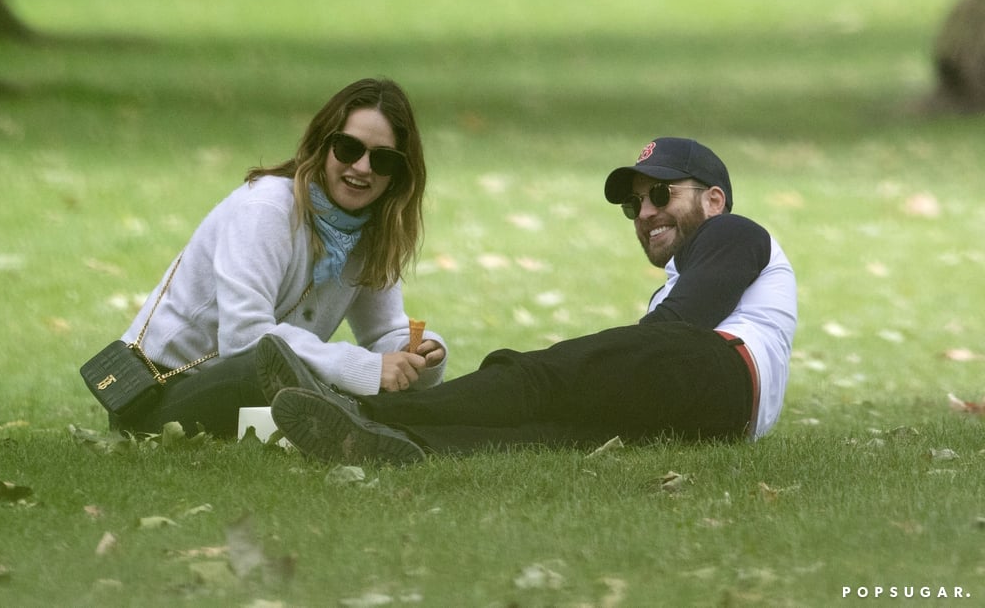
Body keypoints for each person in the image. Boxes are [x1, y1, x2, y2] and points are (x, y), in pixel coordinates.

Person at [259, 137, 797, 464]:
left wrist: (585, 367)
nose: (647, 213)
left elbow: (675, 331)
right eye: (635, 205)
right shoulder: (685, 276)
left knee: (536, 379)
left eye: (661, 194)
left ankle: (360, 409)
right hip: (722, 420)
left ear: (714, 199)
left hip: (722, 373)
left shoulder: (735, 232)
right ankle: (387, 439)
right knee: (549, 436)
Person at [95, 78, 447, 438]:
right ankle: (358, 429)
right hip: (160, 394)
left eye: (383, 159)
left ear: (400, 173)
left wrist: (417, 352)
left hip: (261, 384)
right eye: (347, 148)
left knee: (332, 393)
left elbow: (384, 330)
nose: (362, 167)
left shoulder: (370, 230)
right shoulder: (267, 208)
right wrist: (364, 369)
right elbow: (245, 340)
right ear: (322, 145)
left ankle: (364, 430)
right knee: (296, 380)